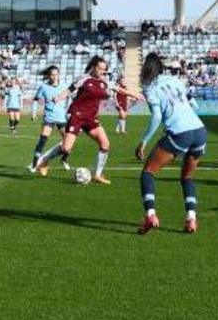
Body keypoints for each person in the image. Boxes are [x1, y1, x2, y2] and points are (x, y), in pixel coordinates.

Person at [34, 56, 142, 185]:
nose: (102, 71)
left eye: (104, 69)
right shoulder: (84, 79)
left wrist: (134, 94)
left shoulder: (105, 81)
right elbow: (69, 91)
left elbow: (119, 90)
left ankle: (97, 175)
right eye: (100, 69)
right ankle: (44, 160)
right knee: (66, 148)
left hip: (91, 118)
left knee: (105, 144)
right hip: (76, 116)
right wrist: (58, 98)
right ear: (94, 67)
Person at [135, 54, 206, 234]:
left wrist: (143, 141)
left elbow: (157, 117)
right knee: (187, 177)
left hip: (180, 132)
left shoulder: (149, 88)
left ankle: (150, 215)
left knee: (148, 172)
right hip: (199, 130)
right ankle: (191, 219)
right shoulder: (175, 80)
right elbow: (194, 104)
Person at [28, 66, 71, 172]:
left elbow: (69, 97)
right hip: (49, 118)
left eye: (56, 74)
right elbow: (36, 99)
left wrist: (69, 112)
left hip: (61, 117)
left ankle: (64, 159)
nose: (54, 76)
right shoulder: (43, 87)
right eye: (52, 74)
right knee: (42, 141)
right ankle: (34, 164)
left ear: (59, 75)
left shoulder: (64, 86)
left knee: (69, 142)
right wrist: (34, 112)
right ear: (48, 76)